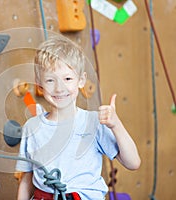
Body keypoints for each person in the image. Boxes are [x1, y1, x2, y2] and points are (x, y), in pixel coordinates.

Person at [15, 35, 141, 200]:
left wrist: (116, 125)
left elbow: (133, 163)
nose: (59, 88)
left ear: (80, 81)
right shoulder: (32, 128)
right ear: (40, 85)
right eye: (50, 80)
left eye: (67, 79)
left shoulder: (94, 122)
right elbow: (27, 179)